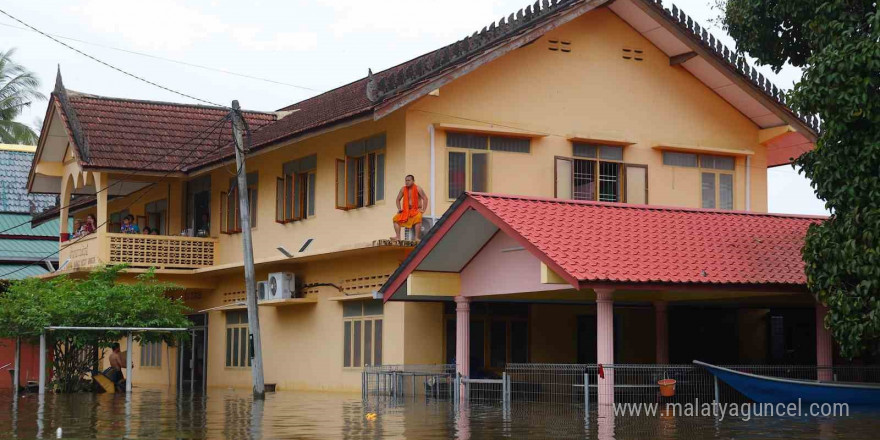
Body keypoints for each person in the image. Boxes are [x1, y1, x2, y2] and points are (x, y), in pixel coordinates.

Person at [392, 174, 429, 241]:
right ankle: (398, 237)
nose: (407, 182)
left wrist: (423, 209)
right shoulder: (403, 189)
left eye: (409, 180)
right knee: (395, 219)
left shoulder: (418, 188)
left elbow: (425, 198)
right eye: (406, 180)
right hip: (406, 211)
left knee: (418, 217)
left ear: (413, 181)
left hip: (416, 210)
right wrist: (399, 209)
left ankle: (416, 237)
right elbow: (398, 199)